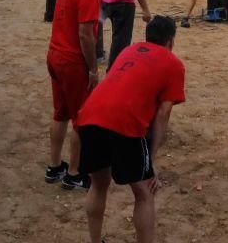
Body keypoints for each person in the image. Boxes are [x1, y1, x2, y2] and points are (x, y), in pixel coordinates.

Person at [76, 16, 186, 243]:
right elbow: (163, 113)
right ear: (170, 42)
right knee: (144, 193)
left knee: (98, 184)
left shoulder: (129, 50)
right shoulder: (173, 63)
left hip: (90, 116)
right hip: (125, 124)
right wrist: (152, 159)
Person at [45, 0, 111, 191]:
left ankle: (54, 166)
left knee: (60, 112)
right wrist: (93, 69)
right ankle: (74, 172)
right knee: (82, 118)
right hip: (72, 62)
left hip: (55, 54)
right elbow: (85, 34)